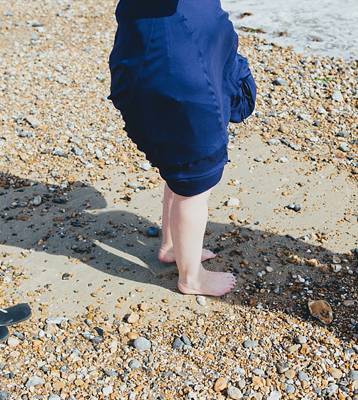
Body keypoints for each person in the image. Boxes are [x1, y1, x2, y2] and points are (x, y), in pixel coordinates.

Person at [108, 0, 257, 296]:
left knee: (182, 165)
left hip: (187, 45)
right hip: (177, 60)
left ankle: (173, 245)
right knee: (195, 177)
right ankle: (191, 278)